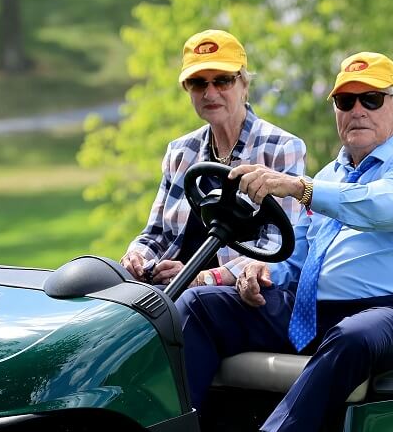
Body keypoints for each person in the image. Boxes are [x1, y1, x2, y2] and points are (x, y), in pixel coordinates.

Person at [175, 52, 393, 432]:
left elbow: (381, 206)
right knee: (200, 305)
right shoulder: (330, 175)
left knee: (352, 336)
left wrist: (299, 188)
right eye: (346, 101)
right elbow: (298, 259)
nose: (357, 110)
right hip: (319, 310)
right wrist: (256, 273)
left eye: (371, 98)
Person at [120, 29, 306, 288]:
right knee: (100, 281)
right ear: (187, 88)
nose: (209, 93)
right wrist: (137, 257)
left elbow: (277, 247)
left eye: (222, 81)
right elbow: (156, 234)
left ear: (244, 84)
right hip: (169, 288)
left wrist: (199, 278)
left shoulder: (280, 147)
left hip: (235, 292)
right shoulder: (180, 151)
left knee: (189, 302)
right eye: (198, 82)